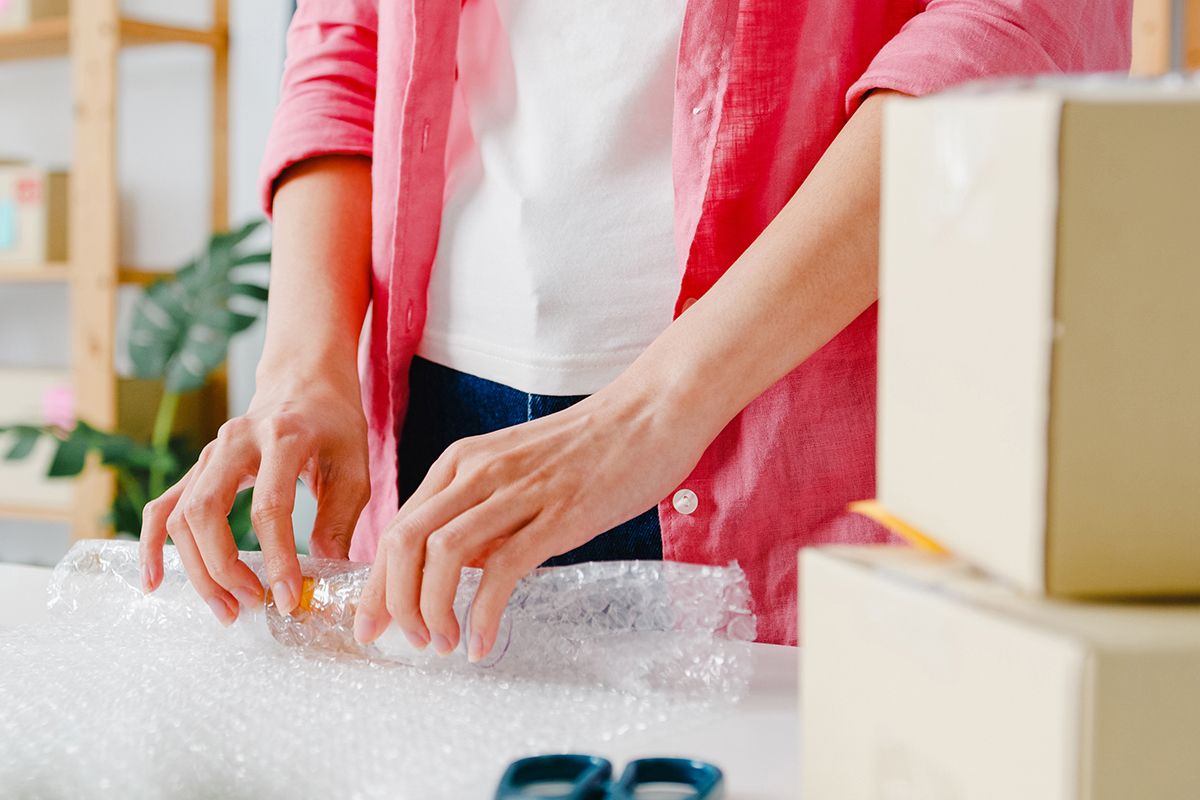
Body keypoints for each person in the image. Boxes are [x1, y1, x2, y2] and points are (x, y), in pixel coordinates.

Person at [140, 0, 1131, 660]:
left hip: (781, 416)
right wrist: (304, 362)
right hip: (434, 436)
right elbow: (347, 35)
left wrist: (656, 410)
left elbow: (1007, 35)